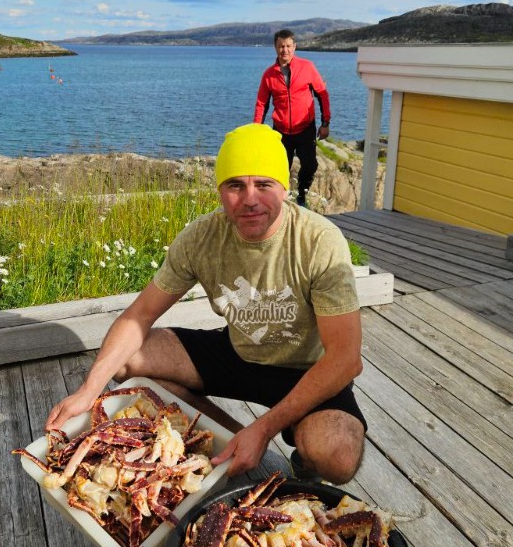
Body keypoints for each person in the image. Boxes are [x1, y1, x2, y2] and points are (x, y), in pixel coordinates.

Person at [46, 123, 366, 484]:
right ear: (219, 190)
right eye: (235, 185)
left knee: (336, 456)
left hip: (306, 369)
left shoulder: (319, 241)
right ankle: (228, 436)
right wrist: (88, 392)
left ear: (285, 187)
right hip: (239, 353)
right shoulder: (201, 237)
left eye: (264, 184)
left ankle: (294, 462)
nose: (249, 199)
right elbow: (139, 316)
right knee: (128, 362)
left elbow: (345, 357)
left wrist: (264, 429)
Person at [253, 28, 331, 208]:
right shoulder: (269, 75)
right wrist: (257, 129)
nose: (284, 50)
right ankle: (281, 201)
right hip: (281, 131)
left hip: (305, 128)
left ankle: (302, 195)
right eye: (281, 46)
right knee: (280, 168)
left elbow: (322, 94)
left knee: (310, 165)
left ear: (294, 47)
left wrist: (325, 122)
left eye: (288, 46)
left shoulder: (307, 67)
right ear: (275, 47)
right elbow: (261, 104)